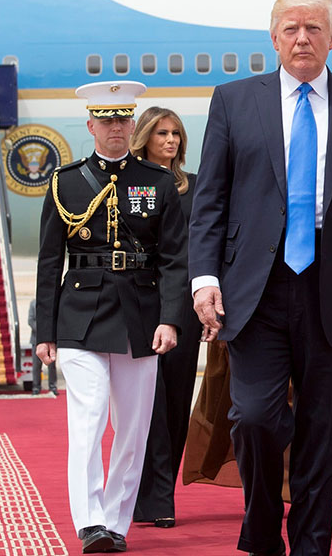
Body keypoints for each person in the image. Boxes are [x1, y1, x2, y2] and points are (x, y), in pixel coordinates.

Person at [189, 0, 332, 556]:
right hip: (256, 289)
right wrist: (204, 278)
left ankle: (312, 542)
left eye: (314, 29)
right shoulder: (234, 101)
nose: (302, 39)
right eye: (290, 29)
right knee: (256, 419)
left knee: (324, 431)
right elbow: (210, 199)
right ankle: (263, 527)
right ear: (273, 38)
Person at [35, 81, 187, 553]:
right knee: (89, 416)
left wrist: (171, 318)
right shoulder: (66, 181)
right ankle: (90, 521)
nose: (115, 127)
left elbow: (176, 259)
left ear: (131, 124)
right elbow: (47, 260)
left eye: (123, 119)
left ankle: (117, 521)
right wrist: (44, 331)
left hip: (141, 313)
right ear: (91, 126)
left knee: (134, 424)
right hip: (80, 312)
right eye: (106, 119)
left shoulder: (158, 183)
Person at [130, 107, 202, 528]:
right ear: (145, 137)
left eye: (176, 133)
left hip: (184, 308)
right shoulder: (128, 184)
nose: (171, 141)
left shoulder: (194, 187)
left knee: (174, 405)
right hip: (139, 305)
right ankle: (148, 497)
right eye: (162, 133)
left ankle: (160, 494)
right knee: (146, 405)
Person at [28, 297, 57, 395]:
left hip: (50, 339)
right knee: (36, 366)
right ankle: (36, 387)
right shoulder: (33, 303)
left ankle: (52, 386)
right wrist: (42, 330)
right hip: (36, 339)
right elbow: (30, 321)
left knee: (51, 365)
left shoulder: (52, 303)